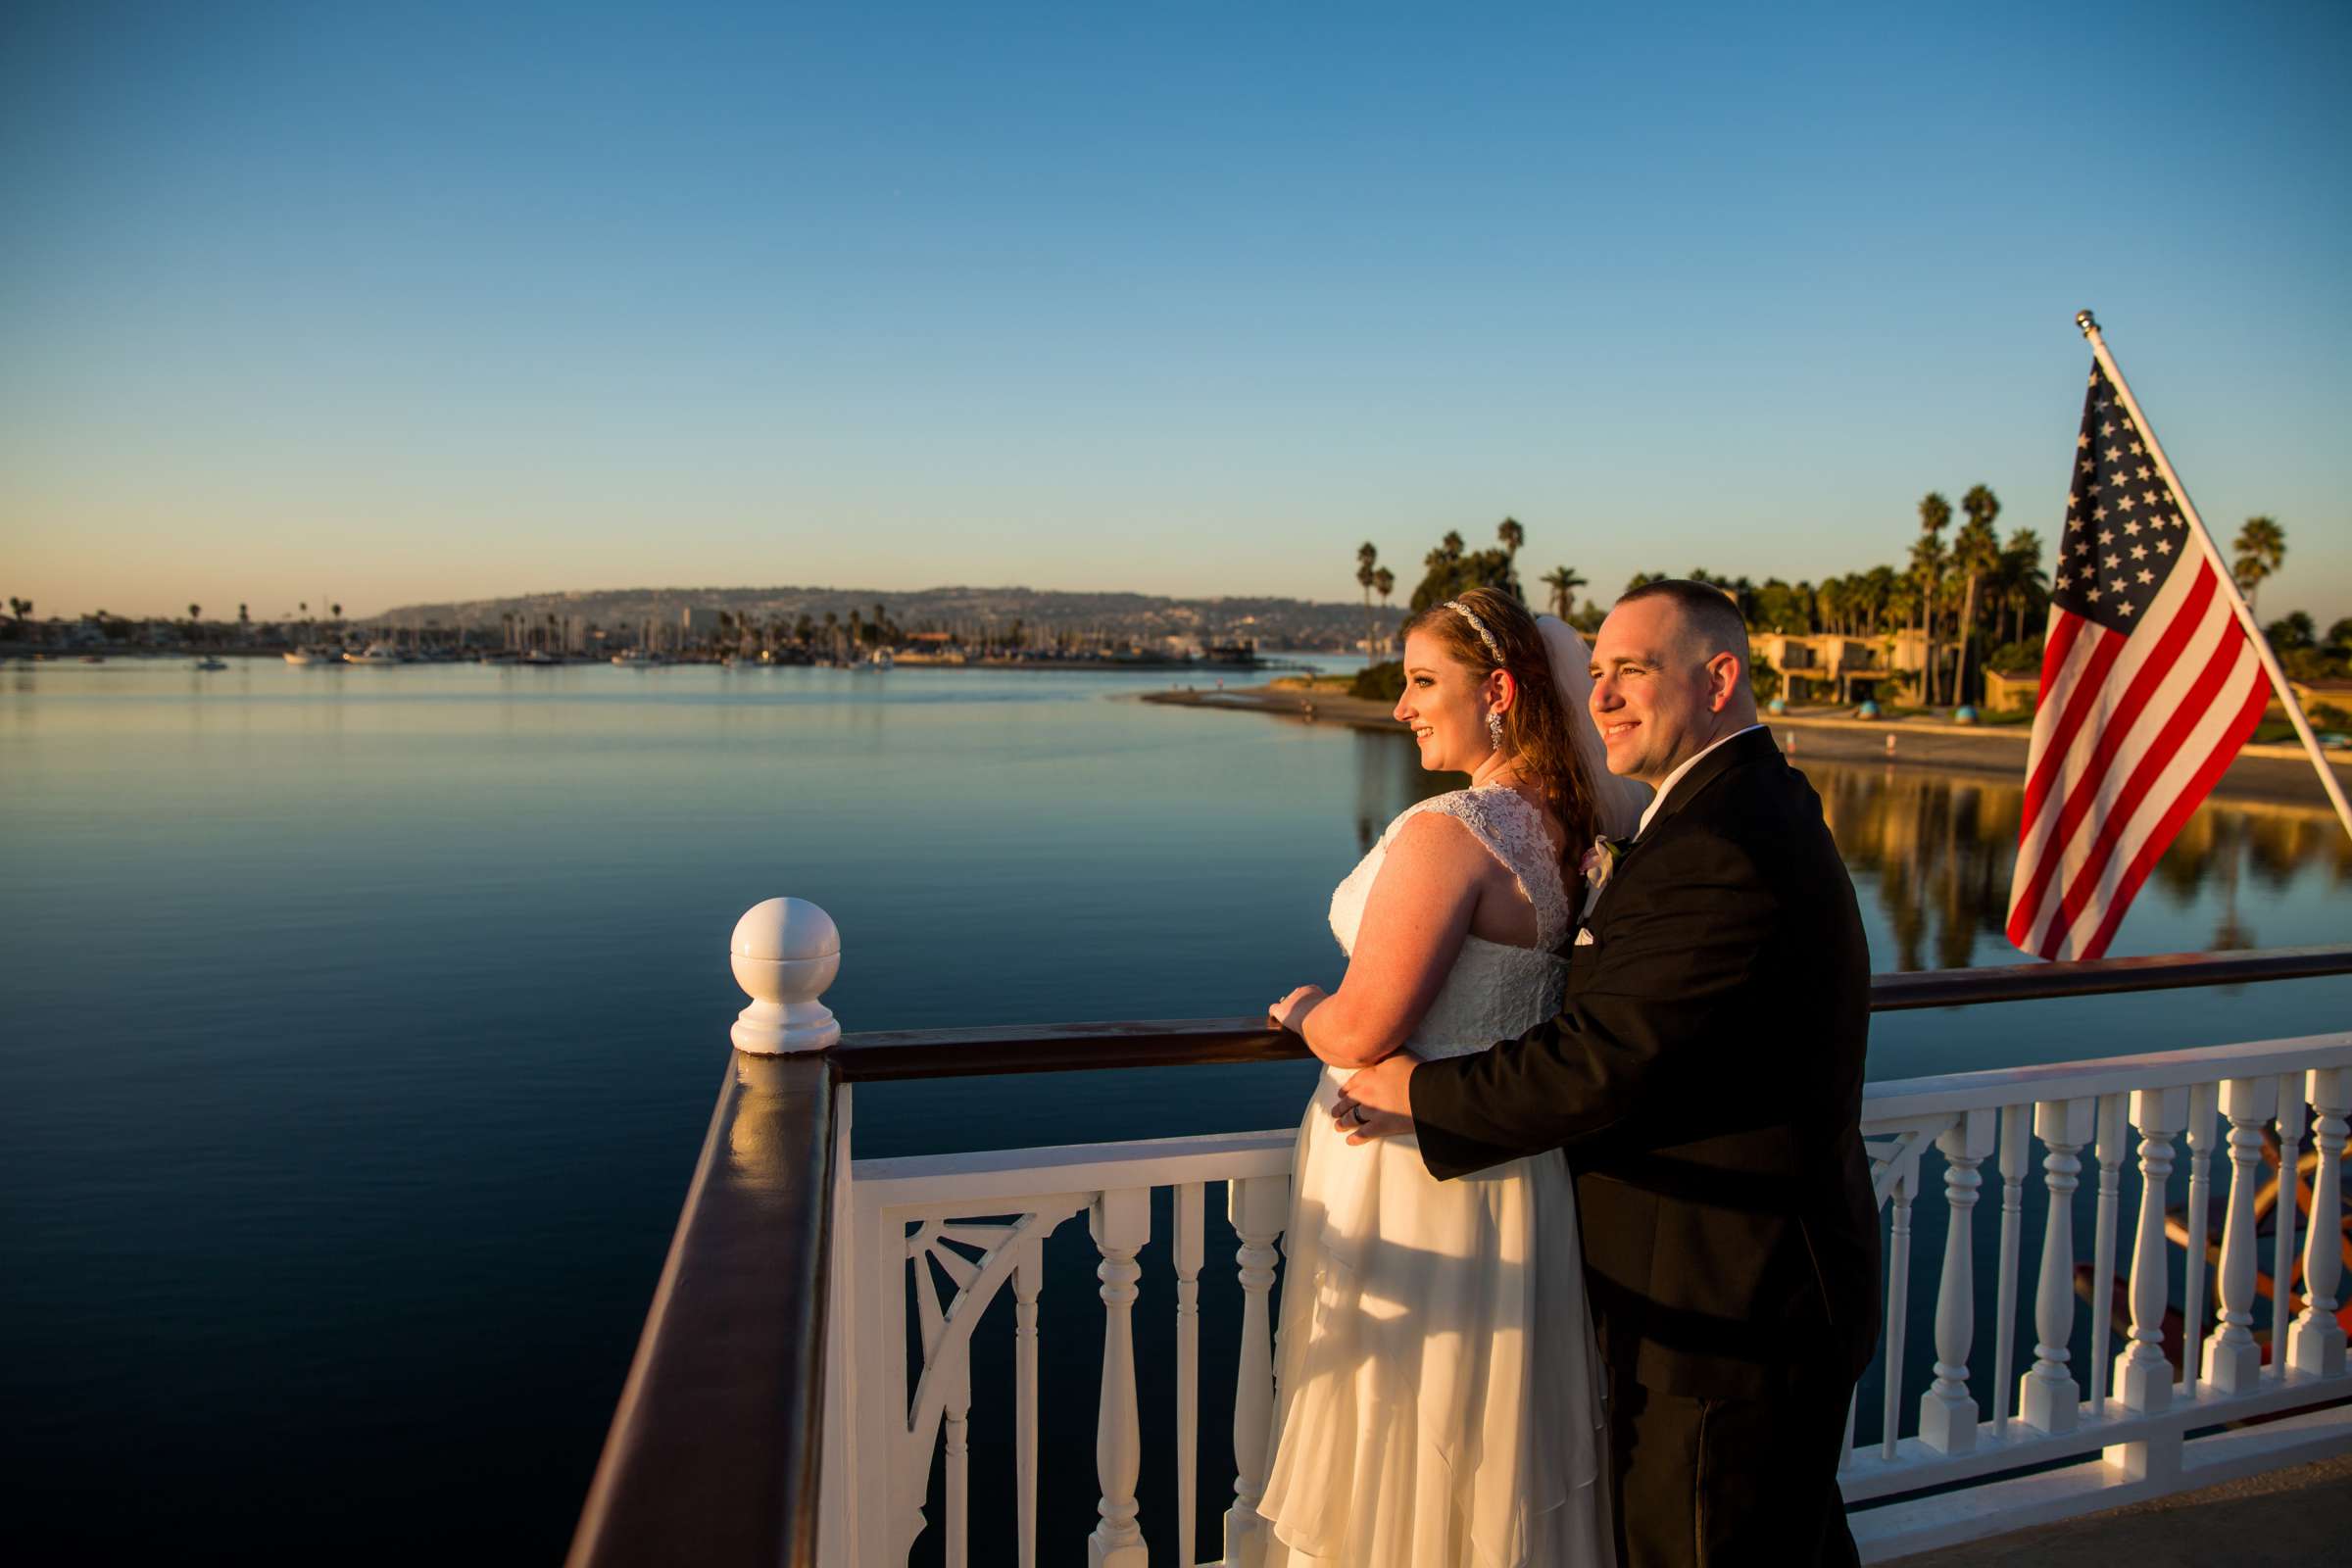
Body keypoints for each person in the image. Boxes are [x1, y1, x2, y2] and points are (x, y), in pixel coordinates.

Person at [1340, 579, 1880, 1567]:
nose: (1605, 698)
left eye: (1635, 671)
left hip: (1729, 1304)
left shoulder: (1720, 844)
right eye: (1597, 674)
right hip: (1747, 1280)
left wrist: (1412, 1092)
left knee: (1707, 1541)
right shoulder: (1734, 804)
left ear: (1720, 678)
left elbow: (1601, 1059)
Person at [1259, 586, 1646, 1566]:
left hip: (1409, 1175)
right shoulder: (1568, 828)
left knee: (1401, 1426)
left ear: (1502, 691)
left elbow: (1364, 1022)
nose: (1402, 705)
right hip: (1516, 1173)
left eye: (1424, 680)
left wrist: (1304, 1009)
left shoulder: (1455, 830)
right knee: (1486, 1446)